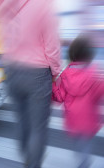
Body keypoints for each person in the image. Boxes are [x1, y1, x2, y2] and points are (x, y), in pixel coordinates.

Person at [0, 0, 61, 167]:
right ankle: (33, 162)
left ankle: (27, 156)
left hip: (12, 69)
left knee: (22, 121)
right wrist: (56, 72)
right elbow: (51, 43)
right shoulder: (44, 4)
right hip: (37, 72)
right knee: (38, 127)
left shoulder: (1, 3)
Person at [52, 36, 103, 168]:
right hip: (88, 121)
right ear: (89, 55)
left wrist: (52, 84)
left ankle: (82, 163)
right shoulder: (93, 75)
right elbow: (99, 92)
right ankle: (83, 164)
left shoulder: (65, 75)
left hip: (73, 122)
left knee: (78, 146)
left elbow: (58, 97)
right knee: (85, 147)